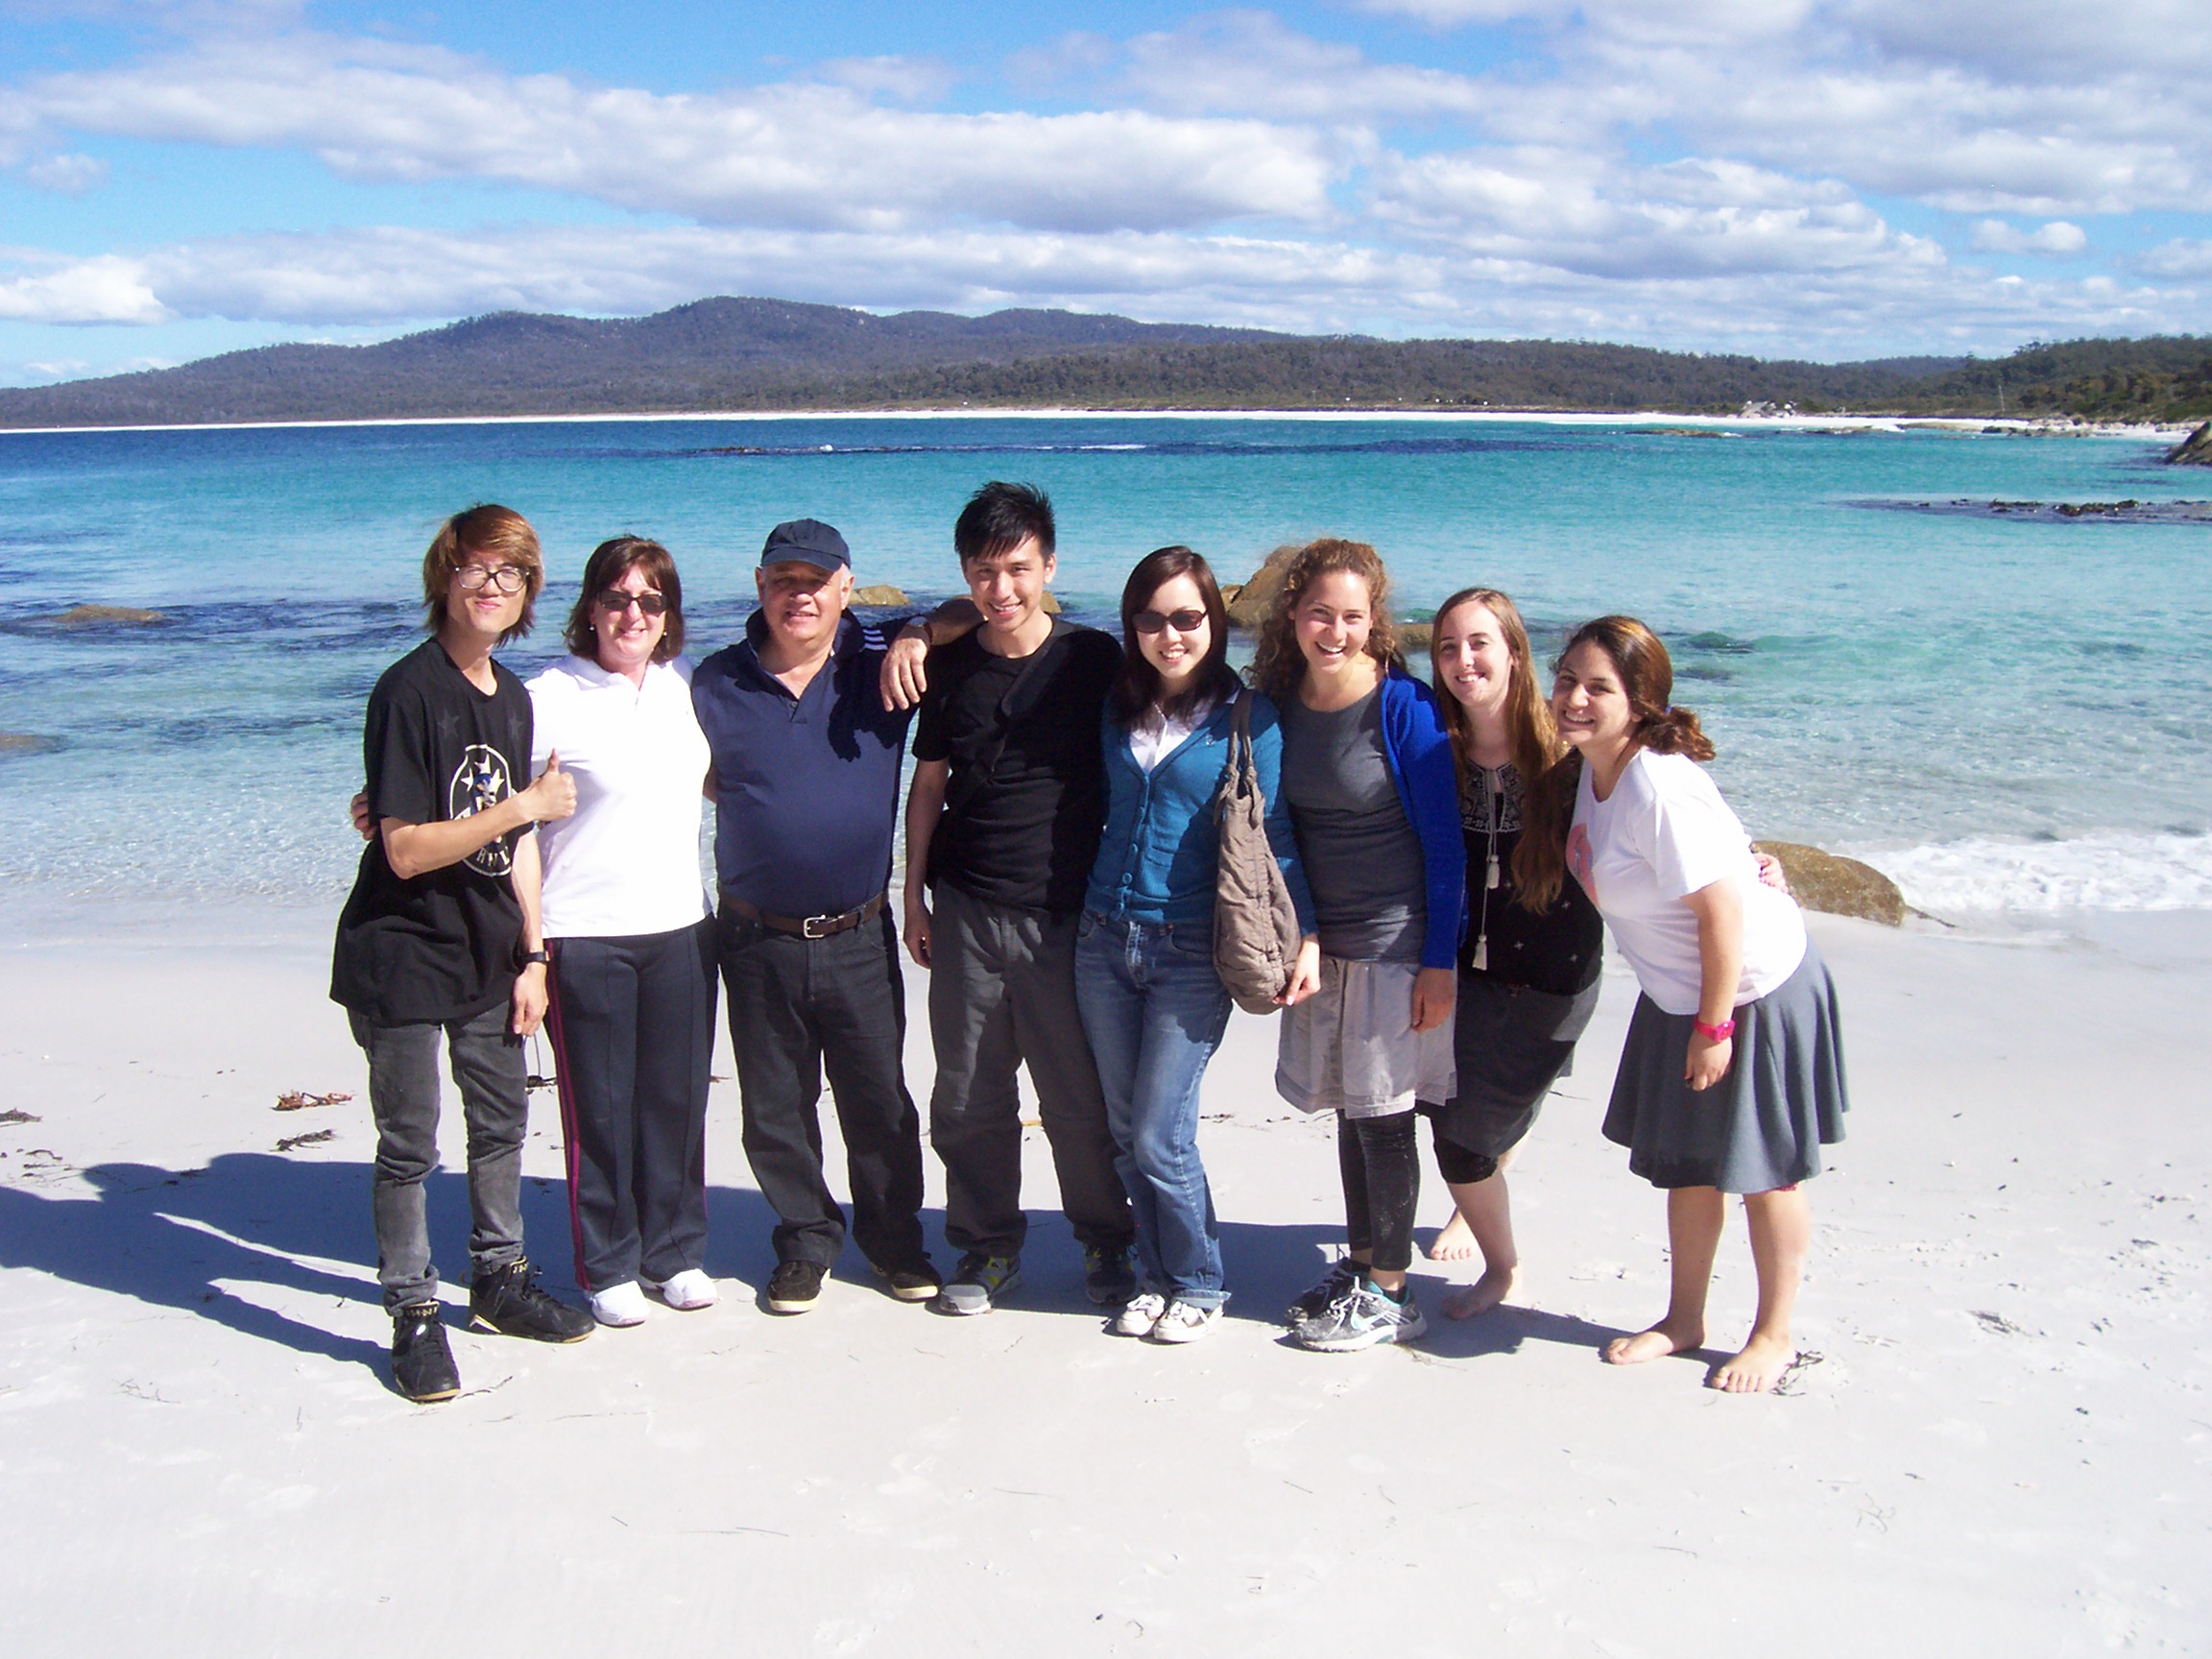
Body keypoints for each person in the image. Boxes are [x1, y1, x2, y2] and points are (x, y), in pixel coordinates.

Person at [1520, 614, 1848, 1393]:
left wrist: (1714, 1025)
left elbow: (1722, 915)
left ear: (1640, 701)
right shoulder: (1596, 772)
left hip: (1749, 993)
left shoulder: (1655, 785)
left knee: (1767, 1172)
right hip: (1683, 996)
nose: (1573, 697)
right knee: (1691, 1167)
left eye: (1599, 687)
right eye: (1566, 678)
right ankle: (1684, 1319)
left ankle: (1774, 1335)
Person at [330, 504, 594, 1404]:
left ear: (526, 595)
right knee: (409, 1143)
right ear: (445, 576)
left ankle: (499, 1281)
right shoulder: (408, 691)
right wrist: (523, 806)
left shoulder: (510, 697)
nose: (492, 586)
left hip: (489, 950)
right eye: (478, 568)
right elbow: (402, 847)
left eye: (511, 575)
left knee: (500, 1124)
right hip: (400, 948)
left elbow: (513, 848)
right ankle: (411, 1314)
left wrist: (534, 953)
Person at [691, 518, 971, 1316]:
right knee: (774, 1110)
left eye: (816, 581)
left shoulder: (883, 662)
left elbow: (979, 612)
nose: (799, 594)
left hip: (855, 932)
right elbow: (676, 772)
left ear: (847, 587)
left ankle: (894, 1243)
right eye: (783, 580)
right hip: (752, 936)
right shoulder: (714, 681)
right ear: (759, 585)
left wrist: (917, 629)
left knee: (878, 1101)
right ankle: (806, 1241)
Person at [902, 482, 1137, 1316]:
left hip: (1066, 915)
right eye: (983, 573)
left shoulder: (1093, 661)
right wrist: (913, 897)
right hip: (964, 908)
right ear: (964, 575)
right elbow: (927, 786)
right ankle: (986, 1248)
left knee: (1077, 1100)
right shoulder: (950, 667)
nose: (1001, 591)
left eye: (1018, 570)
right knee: (967, 1097)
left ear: (1049, 566)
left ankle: (1107, 1241)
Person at [1073, 547, 1318, 1342]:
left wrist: (1306, 933)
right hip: (1103, 938)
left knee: (1158, 1132)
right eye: (1151, 618)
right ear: (1131, 625)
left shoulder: (1252, 719)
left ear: (1215, 621)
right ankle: (1154, 1277)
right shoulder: (1113, 704)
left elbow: (1275, 838)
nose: (1169, 634)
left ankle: (1200, 1282)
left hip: (1189, 950)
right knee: (1122, 1127)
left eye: (1187, 617)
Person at [1255, 538, 1464, 1353]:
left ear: (1375, 621)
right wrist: (1302, 930)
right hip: (1324, 949)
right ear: (1294, 616)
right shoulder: (1277, 703)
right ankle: (1366, 1264)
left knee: (1385, 1123)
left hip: (1395, 948)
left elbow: (1444, 848)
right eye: (1319, 614)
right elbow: (1279, 832)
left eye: (1351, 616)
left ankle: (1391, 1293)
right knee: (1351, 1111)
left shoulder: (1404, 708)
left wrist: (1439, 963)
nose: (1333, 631)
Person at [528, 537, 718, 1328]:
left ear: (668, 612)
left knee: (674, 1104)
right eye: (616, 597)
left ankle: (673, 1252)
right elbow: (482, 789)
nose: (631, 613)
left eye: (649, 599)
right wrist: (383, 802)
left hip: (681, 924)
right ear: (591, 608)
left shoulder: (685, 689)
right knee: (600, 1110)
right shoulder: (549, 695)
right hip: (585, 932)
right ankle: (606, 1263)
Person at [1414, 589, 1606, 1318]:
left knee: (1478, 1133)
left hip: (1555, 980)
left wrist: (1752, 866)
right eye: (1449, 646)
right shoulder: (1438, 752)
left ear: (1515, 653)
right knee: (1461, 1126)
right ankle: (1492, 1231)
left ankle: (1502, 1266)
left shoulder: (1570, 752)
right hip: (1465, 975)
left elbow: (1661, 811)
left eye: (1481, 642)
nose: (1465, 660)